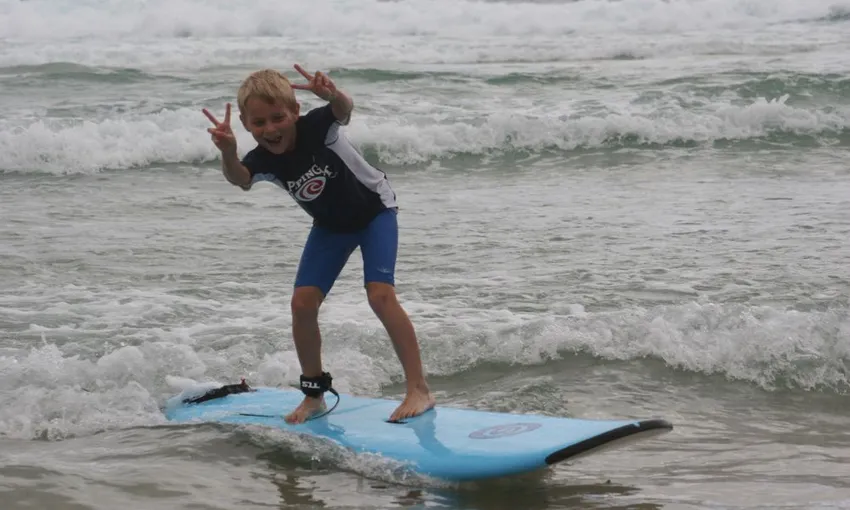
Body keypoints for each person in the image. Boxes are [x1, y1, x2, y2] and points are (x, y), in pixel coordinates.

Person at [202, 65, 435, 424]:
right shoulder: (262, 158)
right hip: (330, 227)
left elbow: (344, 110)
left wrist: (332, 95)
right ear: (248, 126)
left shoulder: (317, 127)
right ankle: (314, 396)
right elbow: (241, 179)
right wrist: (229, 152)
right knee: (302, 304)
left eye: (278, 118)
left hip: (375, 212)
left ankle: (419, 389)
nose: (270, 129)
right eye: (259, 123)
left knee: (380, 295)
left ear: (295, 111)